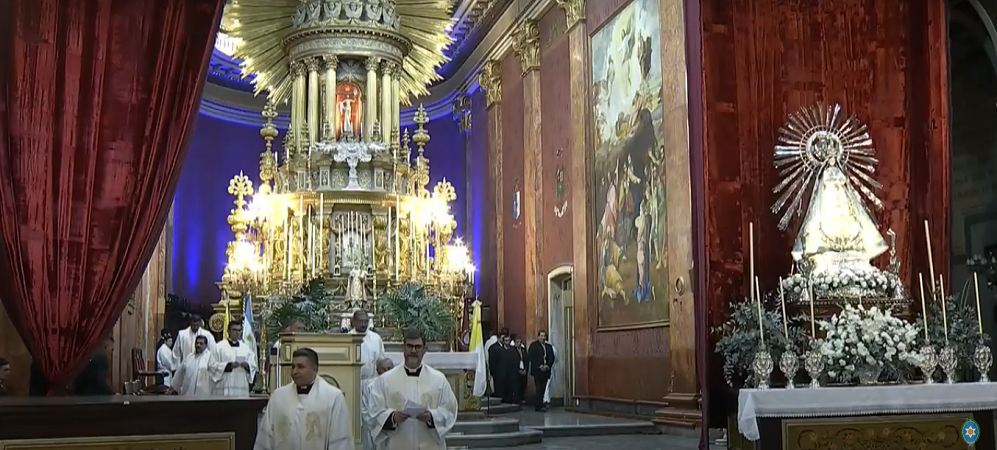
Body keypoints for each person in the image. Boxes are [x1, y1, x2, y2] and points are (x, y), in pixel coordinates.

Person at [366, 328, 458, 450]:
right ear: (403, 348)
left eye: (418, 347)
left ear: (425, 349)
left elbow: (450, 411)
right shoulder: (385, 380)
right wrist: (392, 418)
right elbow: (373, 413)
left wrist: (431, 417)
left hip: (429, 444)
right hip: (396, 444)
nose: (413, 350)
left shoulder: (439, 380)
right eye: (410, 346)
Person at [254, 348, 354, 450]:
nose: (295, 371)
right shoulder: (278, 397)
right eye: (293, 367)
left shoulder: (333, 397)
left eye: (300, 367)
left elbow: (339, 440)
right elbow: (265, 438)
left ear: (315, 369)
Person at [208, 320, 257, 397]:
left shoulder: (246, 348)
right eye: (234, 330)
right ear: (228, 331)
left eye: (239, 330)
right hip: (224, 384)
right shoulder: (219, 347)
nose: (237, 332)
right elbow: (212, 365)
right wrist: (228, 365)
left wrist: (247, 365)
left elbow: (253, 366)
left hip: (241, 385)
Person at [360, 358, 394, 450]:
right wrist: (374, 424)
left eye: (389, 369)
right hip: (371, 429)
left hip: (392, 429)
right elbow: (364, 409)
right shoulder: (369, 386)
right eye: (383, 369)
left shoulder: (397, 385)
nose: (386, 372)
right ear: (377, 370)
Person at [349, 309, 385, 392]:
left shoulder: (376, 338)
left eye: (366, 321)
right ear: (353, 321)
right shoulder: (348, 338)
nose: (363, 324)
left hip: (373, 382)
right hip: (353, 382)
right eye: (360, 321)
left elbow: (381, 360)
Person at [527, 330, 555, 411]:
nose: (543, 337)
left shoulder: (548, 346)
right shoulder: (534, 346)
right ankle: (538, 405)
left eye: (544, 336)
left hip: (546, 370)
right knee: (538, 388)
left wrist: (548, 366)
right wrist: (539, 366)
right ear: (538, 336)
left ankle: (541, 403)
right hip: (537, 371)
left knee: (543, 388)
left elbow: (551, 357)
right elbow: (531, 357)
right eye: (541, 336)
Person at [487, 331, 510, 401]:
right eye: (503, 338)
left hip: (507, 372)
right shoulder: (493, 348)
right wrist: (493, 372)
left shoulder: (506, 347)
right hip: (498, 373)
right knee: (499, 389)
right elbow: (492, 361)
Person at [512, 335, 529, 404]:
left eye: (520, 342)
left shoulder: (523, 349)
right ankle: (517, 399)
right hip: (516, 371)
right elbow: (512, 362)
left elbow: (527, 360)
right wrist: (518, 370)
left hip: (523, 369)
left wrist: (526, 370)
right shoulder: (512, 350)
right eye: (517, 342)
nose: (519, 343)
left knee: (523, 385)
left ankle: (522, 398)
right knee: (517, 386)